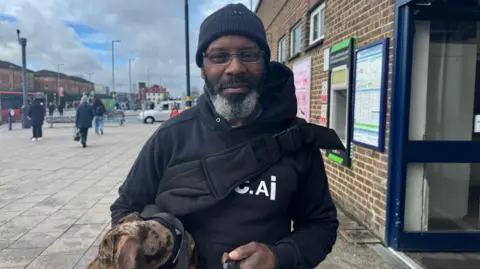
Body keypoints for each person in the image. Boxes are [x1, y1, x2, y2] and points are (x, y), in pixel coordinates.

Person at [110, 3, 343, 269]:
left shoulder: (295, 141)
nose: (235, 68)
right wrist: (130, 241)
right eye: (220, 56)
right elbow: (126, 206)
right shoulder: (171, 137)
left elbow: (321, 225)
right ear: (202, 67)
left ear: (265, 64)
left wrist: (279, 257)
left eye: (249, 55)